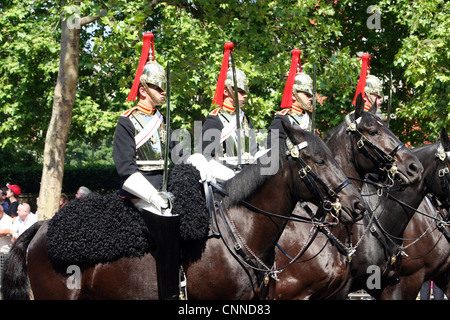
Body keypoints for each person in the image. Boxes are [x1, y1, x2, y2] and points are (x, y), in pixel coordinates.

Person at [113, 32, 209, 300]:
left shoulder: (162, 120)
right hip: (140, 193)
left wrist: (196, 160)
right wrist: (153, 195)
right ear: (143, 90)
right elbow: (125, 169)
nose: (163, 92)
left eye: (163, 87)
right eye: (157, 88)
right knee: (166, 224)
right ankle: (169, 293)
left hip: (166, 192)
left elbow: (177, 156)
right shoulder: (127, 122)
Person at [201, 41, 258, 178]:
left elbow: (253, 150)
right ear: (227, 92)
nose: (245, 95)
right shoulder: (214, 119)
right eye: (240, 91)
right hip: (225, 177)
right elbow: (207, 157)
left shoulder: (244, 118)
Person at [267, 48, 314, 150]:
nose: (310, 98)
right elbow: (273, 151)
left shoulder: (308, 119)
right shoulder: (281, 120)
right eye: (307, 94)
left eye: (311, 95)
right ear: (293, 95)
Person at [352, 53, 385, 118]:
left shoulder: (375, 114)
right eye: (377, 96)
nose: (381, 99)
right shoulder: (361, 116)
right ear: (364, 96)